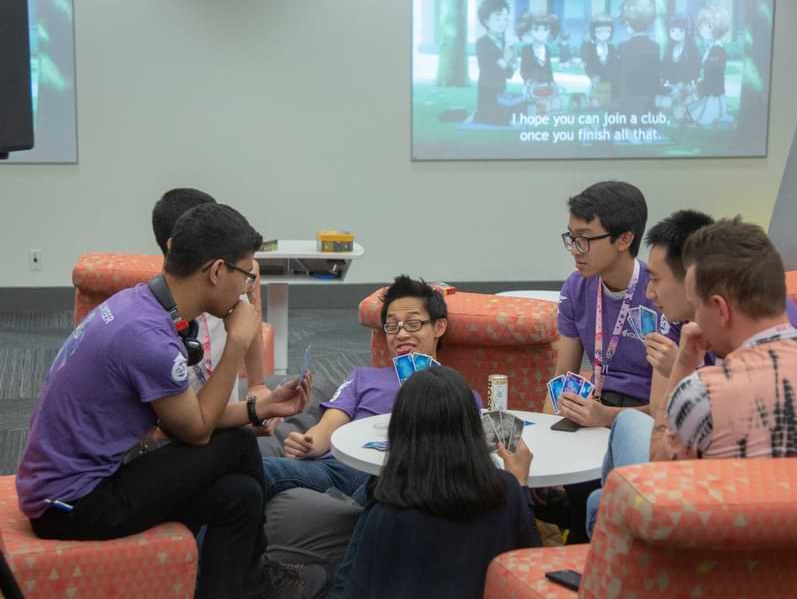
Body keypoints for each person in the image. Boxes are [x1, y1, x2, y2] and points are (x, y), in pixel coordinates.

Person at [16, 203, 314, 598]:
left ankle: (246, 583)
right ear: (217, 271)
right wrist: (239, 341)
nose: (246, 289)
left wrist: (262, 405)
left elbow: (184, 415)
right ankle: (258, 577)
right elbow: (196, 431)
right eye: (245, 275)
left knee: (240, 496)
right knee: (240, 445)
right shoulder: (148, 339)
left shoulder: (137, 305)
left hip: (71, 488)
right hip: (72, 506)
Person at [586, 218, 797, 535]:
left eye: (697, 309)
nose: (694, 321)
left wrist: (683, 367)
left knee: (606, 488)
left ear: (721, 310)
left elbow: (657, 494)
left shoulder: (703, 393)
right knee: (599, 499)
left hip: (717, 567)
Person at [545, 180, 679, 543]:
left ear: (623, 240)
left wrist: (605, 417)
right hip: (592, 409)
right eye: (571, 237)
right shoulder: (577, 287)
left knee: (589, 496)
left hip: (640, 418)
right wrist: (546, 436)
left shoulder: (659, 296)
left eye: (585, 238)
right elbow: (564, 379)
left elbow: (661, 411)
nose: (575, 249)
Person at [264, 276, 478, 503]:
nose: (402, 334)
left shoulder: (457, 392)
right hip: (338, 468)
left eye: (413, 324)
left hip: (397, 477)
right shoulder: (363, 378)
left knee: (382, 490)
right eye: (392, 326)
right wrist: (306, 444)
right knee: (260, 469)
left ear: (439, 327)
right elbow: (327, 427)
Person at [340, 366, 539, 599]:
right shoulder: (505, 491)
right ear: (472, 427)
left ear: (401, 432)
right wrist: (521, 486)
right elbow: (533, 568)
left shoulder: (385, 512)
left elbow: (356, 590)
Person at [151, 187, 275, 432]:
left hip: (222, 416)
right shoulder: (157, 329)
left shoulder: (228, 285)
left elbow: (247, 316)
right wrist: (251, 414)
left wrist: (257, 386)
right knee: (244, 448)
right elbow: (190, 429)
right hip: (194, 427)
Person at [687, 5, 732, 126]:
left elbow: (714, 77)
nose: (701, 29)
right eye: (700, 26)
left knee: (696, 113)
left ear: (715, 27)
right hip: (710, 92)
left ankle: (719, 115)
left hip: (714, 94)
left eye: (704, 26)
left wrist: (699, 88)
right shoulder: (712, 48)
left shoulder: (717, 50)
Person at [474, 0, 516, 125]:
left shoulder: (504, 44)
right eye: (498, 19)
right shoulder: (482, 43)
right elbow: (493, 68)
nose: (503, 23)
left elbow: (509, 74)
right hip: (488, 89)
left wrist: (513, 64)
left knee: (508, 115)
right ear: (486, 21)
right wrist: (507, 59)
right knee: (494, 118)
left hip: (501, 87)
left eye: (505, 19)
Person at [581, 14, 619, 108]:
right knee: (595, 106)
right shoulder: (590, 48)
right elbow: (587, 65)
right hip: (596, 85)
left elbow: (616, 66)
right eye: (599, 31)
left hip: (611, 85)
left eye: (607, 31)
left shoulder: (612, 48)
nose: (603, 34)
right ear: (593, 32)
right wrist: (592, 76)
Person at [517, 12, 559, 86]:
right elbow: (523, 69)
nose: (541, 33)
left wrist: (551, 81)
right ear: (529, 31)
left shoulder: (546, 48)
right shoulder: (526, 49)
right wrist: (528, 80)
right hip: (531, 85)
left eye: (545, 29)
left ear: (549, 31)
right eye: (536, 29)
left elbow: (549, 68)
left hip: (546, 84)